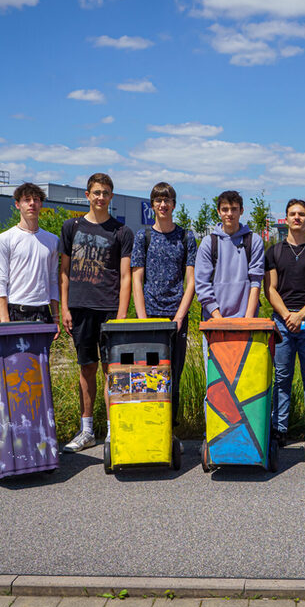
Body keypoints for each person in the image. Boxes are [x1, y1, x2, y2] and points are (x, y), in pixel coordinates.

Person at [59, 173, 133, 452]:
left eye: (106, 193)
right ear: (87, 195)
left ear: (111, 197)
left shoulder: (122, 231)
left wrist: (122, 316)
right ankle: (87, 430)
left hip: (110, 310)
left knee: (111, 372)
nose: (101, 197)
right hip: (80, 310)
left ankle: (113, 431)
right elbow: (64, 271)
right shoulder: (71, 227)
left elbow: (125, 277)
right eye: (96, 192)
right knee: (86, 369)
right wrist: (64, 307)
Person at [131, 182, 197, 426]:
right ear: (152, 206)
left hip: (176, 316)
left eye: (167, 200)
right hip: (150, 316)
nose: (163, 205)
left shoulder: (186, 236)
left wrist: (180, 316)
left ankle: (171, 428)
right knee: (149, 373)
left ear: (174, 205)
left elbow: (191, 281)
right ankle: (150, 424)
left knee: (174, 375)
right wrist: (142, 319)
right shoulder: (143, 236)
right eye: (158, 201)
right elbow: (137, 279)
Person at [265, 199, 305, 445]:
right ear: (286, 218)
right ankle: (279, 429)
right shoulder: (274, 251)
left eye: (301, 214)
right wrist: (287, 316)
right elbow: (269, 289)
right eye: (292, 214)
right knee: (281, 377)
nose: (297, 218)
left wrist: (301, 315)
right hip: (282, 322)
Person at [0, 182, 59, 325]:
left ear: (41, 204)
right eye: (26, 200)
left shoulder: (52, 241)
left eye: (36, 200)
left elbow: (53, 280)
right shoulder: (5, 239)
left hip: (42, 312)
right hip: (13, 311)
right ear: (17, 205)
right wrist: (5, 321)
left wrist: (56, 317)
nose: (32, 204)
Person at [194, 190, 265, 321]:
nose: (229, 214)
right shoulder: (208, 243)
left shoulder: (253, 241)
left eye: (234, 209)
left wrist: (248, 321)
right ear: (218, 211)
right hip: (214, 320)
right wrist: (219, 320)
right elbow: (202, 285)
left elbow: (256, 282)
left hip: (246, 319)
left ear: (241, 210)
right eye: (225, 209)